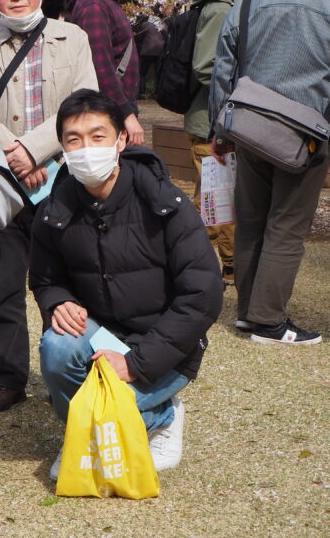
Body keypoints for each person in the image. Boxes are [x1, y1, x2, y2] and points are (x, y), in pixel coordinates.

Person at [31, 89, 222, 478]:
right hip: (102, 337)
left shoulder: (166, 204)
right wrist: (56, 301)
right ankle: (84, 434)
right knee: (57, 344)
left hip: (164, 350)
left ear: (121, 140)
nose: (86, 148)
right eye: (74, 139)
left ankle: (163, 417)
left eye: (98, 136)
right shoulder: (54, 210)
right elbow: (46, 278)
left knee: (112, 410)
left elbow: (203, 295)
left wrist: (135, 363)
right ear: (63, 149)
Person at [0, 0, 98, 414]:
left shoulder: (72, 38)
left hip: (63, 178)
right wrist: (15, 153)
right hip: (3, 180)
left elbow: (84, 102)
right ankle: (7, 376)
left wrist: (36, 149)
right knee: (4, 282)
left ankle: (73, 364)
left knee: (69, 278)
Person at [210, 0, 330, 345]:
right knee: (288, 226)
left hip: (248, 127)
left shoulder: (249, 0)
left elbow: (223, 69)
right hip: (307, 134)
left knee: (253, 219)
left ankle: (247, 312)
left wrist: (219, 132)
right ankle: (268, 321)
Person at [183, 0, 270, 284]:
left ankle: (196, 262)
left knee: (209, 197)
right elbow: (205, 67)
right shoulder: (222, 8)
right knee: (217, 198)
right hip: (209, 121)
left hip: (219, 119)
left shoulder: (238, 2)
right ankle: (226, 266)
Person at [65, 0, 145, 145]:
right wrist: (126, 113)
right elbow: (100, 65)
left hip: (112, 109)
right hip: (109, 112)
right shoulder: (94, 3)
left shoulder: (103, 0)